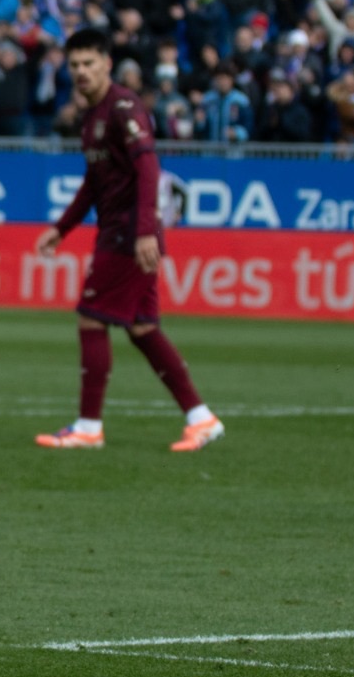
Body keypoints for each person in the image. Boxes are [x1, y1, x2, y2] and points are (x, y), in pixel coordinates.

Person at [33, 26, 223, 453]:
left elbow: (149, 168)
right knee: (143, 328)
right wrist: (61, 229)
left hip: (128, 234)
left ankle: (88, 427)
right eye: (75, 65)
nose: (81, 71)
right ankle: (201, 419)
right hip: (121, 231)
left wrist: (145, 232)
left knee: (91, 318)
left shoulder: (123, 108)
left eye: (89, 63)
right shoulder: (91, 116)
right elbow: (93, 185)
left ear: (107, 64)